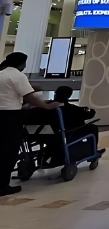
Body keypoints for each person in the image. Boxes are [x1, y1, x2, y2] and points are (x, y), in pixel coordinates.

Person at [0, 52, 59, 196]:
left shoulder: (1, 73)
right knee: (9, 151)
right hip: (10, 117)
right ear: (22, 63)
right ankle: (2, 186)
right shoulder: (18, 76)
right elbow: (30, 98)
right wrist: (47, 106)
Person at [44, 86, 105, 166]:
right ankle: (93, 152)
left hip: (49, 135)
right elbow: (90, 114)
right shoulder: (72, 109)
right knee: (93, 128)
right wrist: (89, 110)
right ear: (68, 96)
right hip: (69, 134)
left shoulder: (46, 106)